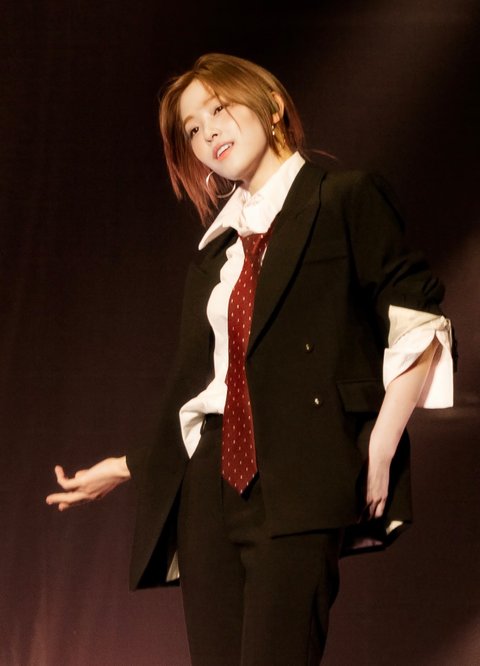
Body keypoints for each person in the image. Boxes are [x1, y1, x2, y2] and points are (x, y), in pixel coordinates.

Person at [46, 53, 454, 665]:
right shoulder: (217, 252)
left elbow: (416, 320)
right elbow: (211, 386)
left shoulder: (343, 198)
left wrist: (381, 442)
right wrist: (126, 465)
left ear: (272, 103)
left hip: (300, 471)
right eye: (191, 129)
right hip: (207, 486)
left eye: (218, 108)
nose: (207, 133)